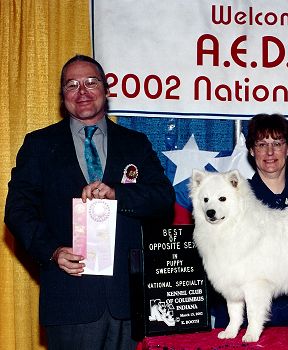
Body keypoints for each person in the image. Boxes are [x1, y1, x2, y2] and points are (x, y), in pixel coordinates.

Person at [5, 55, 175, 350]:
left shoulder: (136, 143)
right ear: (63, 96)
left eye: (90, 82)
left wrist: (117, 194)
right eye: (71, 85)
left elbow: (163, 199)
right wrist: (53, 251)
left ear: (106, 90)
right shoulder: (39, 145)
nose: (82, 91)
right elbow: (17, 211)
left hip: (125, 300)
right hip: (69, 300)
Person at [212, 113, 288, 328]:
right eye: (262, 144)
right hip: (243, 323)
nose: (270, 152)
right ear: (251, 151)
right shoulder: (231, 199)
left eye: (277, 143)